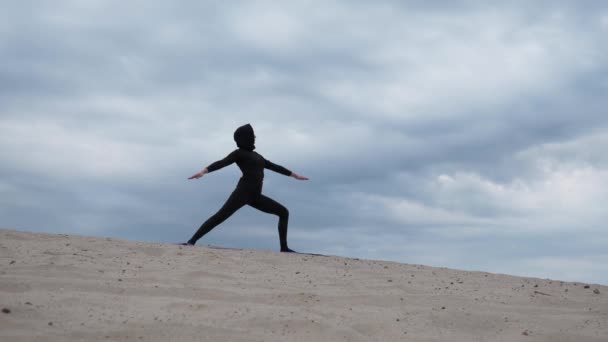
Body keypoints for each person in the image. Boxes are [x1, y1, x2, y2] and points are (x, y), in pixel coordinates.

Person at [184, 123, 309, 252]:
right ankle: (191, 241)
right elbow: (222, 163)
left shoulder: (258, 156)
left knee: (283, 212)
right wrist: (204, 171)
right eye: (252, 135)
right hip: (242, 194)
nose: (254, 137)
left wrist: (295, 175)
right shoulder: (239, 154)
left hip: (255, 196)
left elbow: (275, 167)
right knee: (219, 217)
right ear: (245, 138)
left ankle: (284, 248)